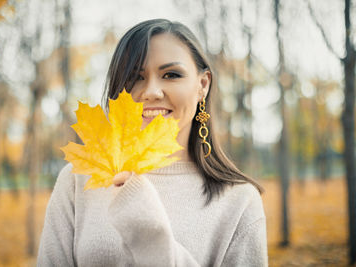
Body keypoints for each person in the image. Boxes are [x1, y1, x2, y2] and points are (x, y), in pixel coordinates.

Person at [37, 19, 268, 266]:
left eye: (171, 75)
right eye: (135, 77)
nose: (151, 91)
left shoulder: (240, 200)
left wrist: (151, 234)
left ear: (203, 85)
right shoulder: (78, 178)